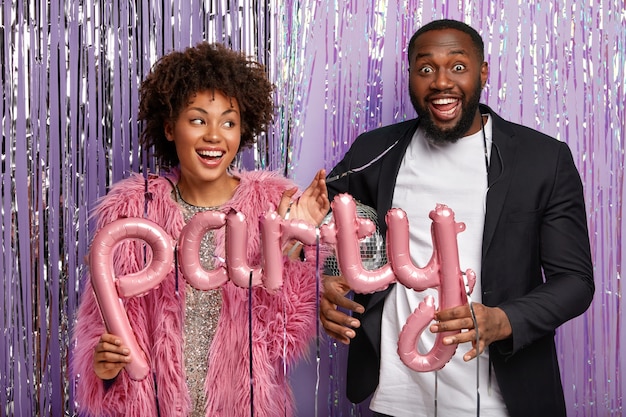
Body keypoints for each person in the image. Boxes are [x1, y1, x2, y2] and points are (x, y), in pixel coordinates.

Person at [320, 19, 594, 417]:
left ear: (483, 73)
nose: (441, 82)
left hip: (502, 401)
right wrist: (332, 279)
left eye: (458, 67)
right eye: (426, 68)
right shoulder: (375, 150)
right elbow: (334, 221)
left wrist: (503, 320)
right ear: (411, 75)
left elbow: (576, 281)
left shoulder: (543, 159)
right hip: (397, 398)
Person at [71, 42, 329, 417]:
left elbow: (283, 339)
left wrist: (294, 241)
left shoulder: (273, 205)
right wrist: (103, 366)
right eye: (197, 120)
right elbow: (101, 323)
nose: (214, 135)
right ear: (170, 128)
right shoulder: (131, 212)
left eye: (228, 122)